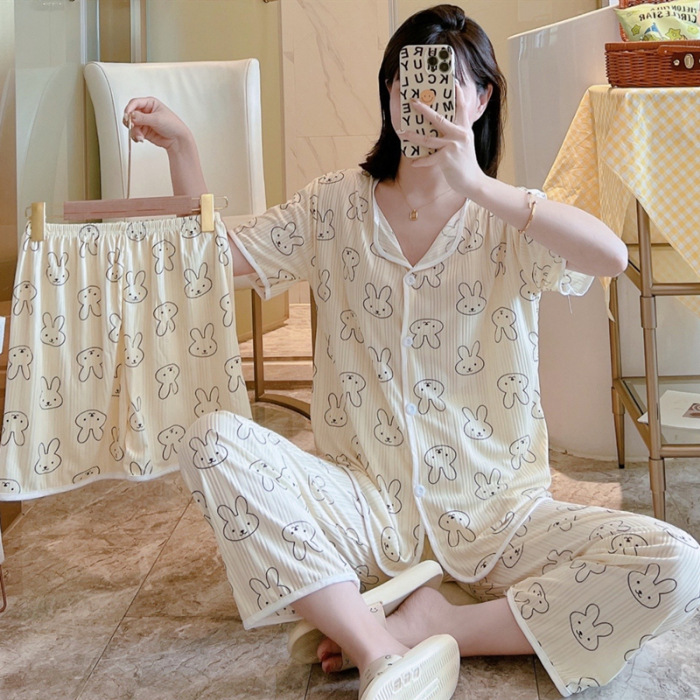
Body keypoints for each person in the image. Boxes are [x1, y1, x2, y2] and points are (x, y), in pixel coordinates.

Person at [124, 5, 700, 699]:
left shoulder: (510, 216)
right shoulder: (333, 205)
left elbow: (608, 257)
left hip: (499, 515)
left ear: (482, 97)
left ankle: (426, 623)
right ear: (389, 93)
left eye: (442, 86)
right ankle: (375, 648)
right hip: (362, 509)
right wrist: (183, 149)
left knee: (677, 563)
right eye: (406, 83)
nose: (421, 101)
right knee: (212, 441)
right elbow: (210, 259)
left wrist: (478, 185)